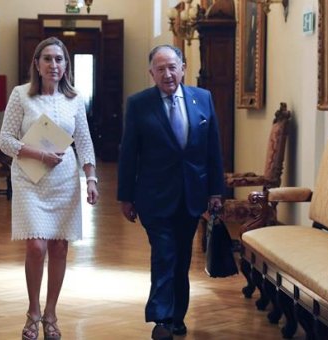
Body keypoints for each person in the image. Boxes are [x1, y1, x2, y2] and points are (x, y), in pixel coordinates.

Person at [117, 45, 224, 340]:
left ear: (183, 67)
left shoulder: (203, 99)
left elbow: (212, 149)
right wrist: (126, 196)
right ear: (151, 73)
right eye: (160, 69)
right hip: (154, 196)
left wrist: (216, 190)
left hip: (192, 194)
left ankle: (177, 316)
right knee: (164, 253)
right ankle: (161, 319)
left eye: (172, 67)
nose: (167, 74)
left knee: (182, 256)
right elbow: (129, 153)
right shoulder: (139, 104)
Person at [0, 37, 99, 340]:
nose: (53, 65)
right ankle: (33, 310)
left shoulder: (74, 99)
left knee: (59, 246)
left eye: (59, 59)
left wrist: (91, 178)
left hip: (64, 180)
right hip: (30, 178)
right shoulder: (21, 96)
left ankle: (51, 313)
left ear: (66, 65)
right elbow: (5, 140)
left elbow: (83, 141)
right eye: (48, 59)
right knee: (36, 245)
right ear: (37, 64)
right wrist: (38, 154)